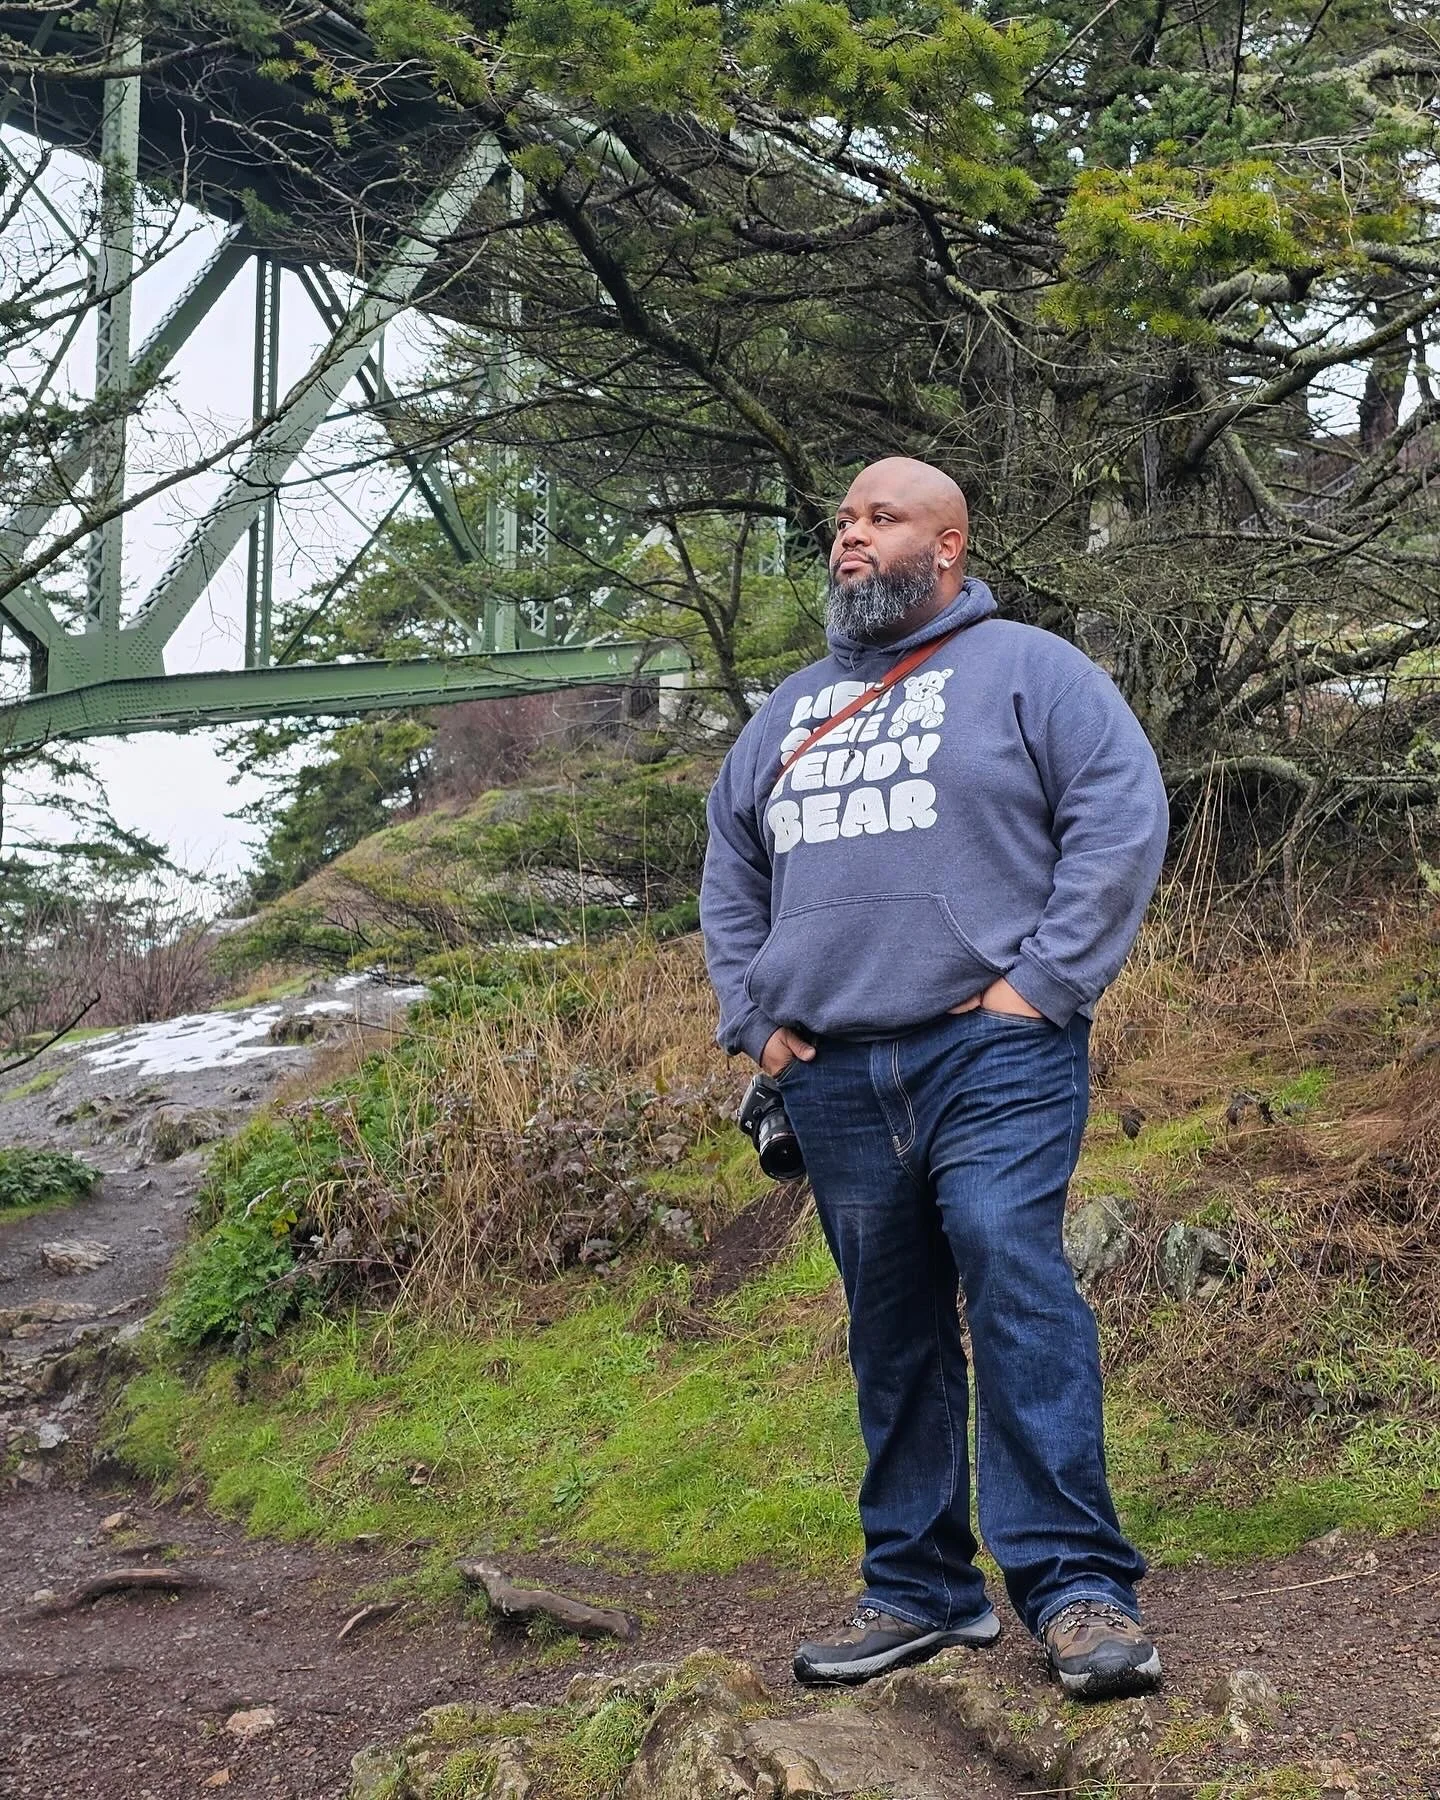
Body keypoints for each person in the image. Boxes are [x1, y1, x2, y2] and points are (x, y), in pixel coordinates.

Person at [698, 456, 1170, 1700]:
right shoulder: (787, 712)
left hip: (992, 1050)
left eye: (881, 517)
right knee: (891, 1328)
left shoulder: (1033, 670)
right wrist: (757, 1024)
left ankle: (1075, 1586)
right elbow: (730, 874)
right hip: (835, 1071)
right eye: (843, 519)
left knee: (1010, 1269)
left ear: (947, 546)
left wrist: (1040, 988)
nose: (850, 536)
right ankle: (918, 1592)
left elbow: (1121, 813)